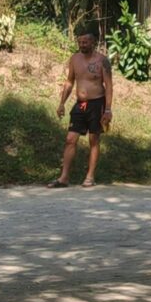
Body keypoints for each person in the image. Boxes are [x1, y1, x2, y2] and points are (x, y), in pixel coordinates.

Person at [50, 25, 113, 188]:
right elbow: (70, 81)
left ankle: (90, 176)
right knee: (70, 139)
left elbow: (109, 86)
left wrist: (108, 109)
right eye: (80, 42)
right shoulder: (74, 59)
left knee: (94, 139)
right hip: (80, 105)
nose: (82, 45)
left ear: (93, 42)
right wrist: (62, 103)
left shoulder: (102, 61)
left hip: (97, 103)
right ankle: (64, 178)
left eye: (85, 42)